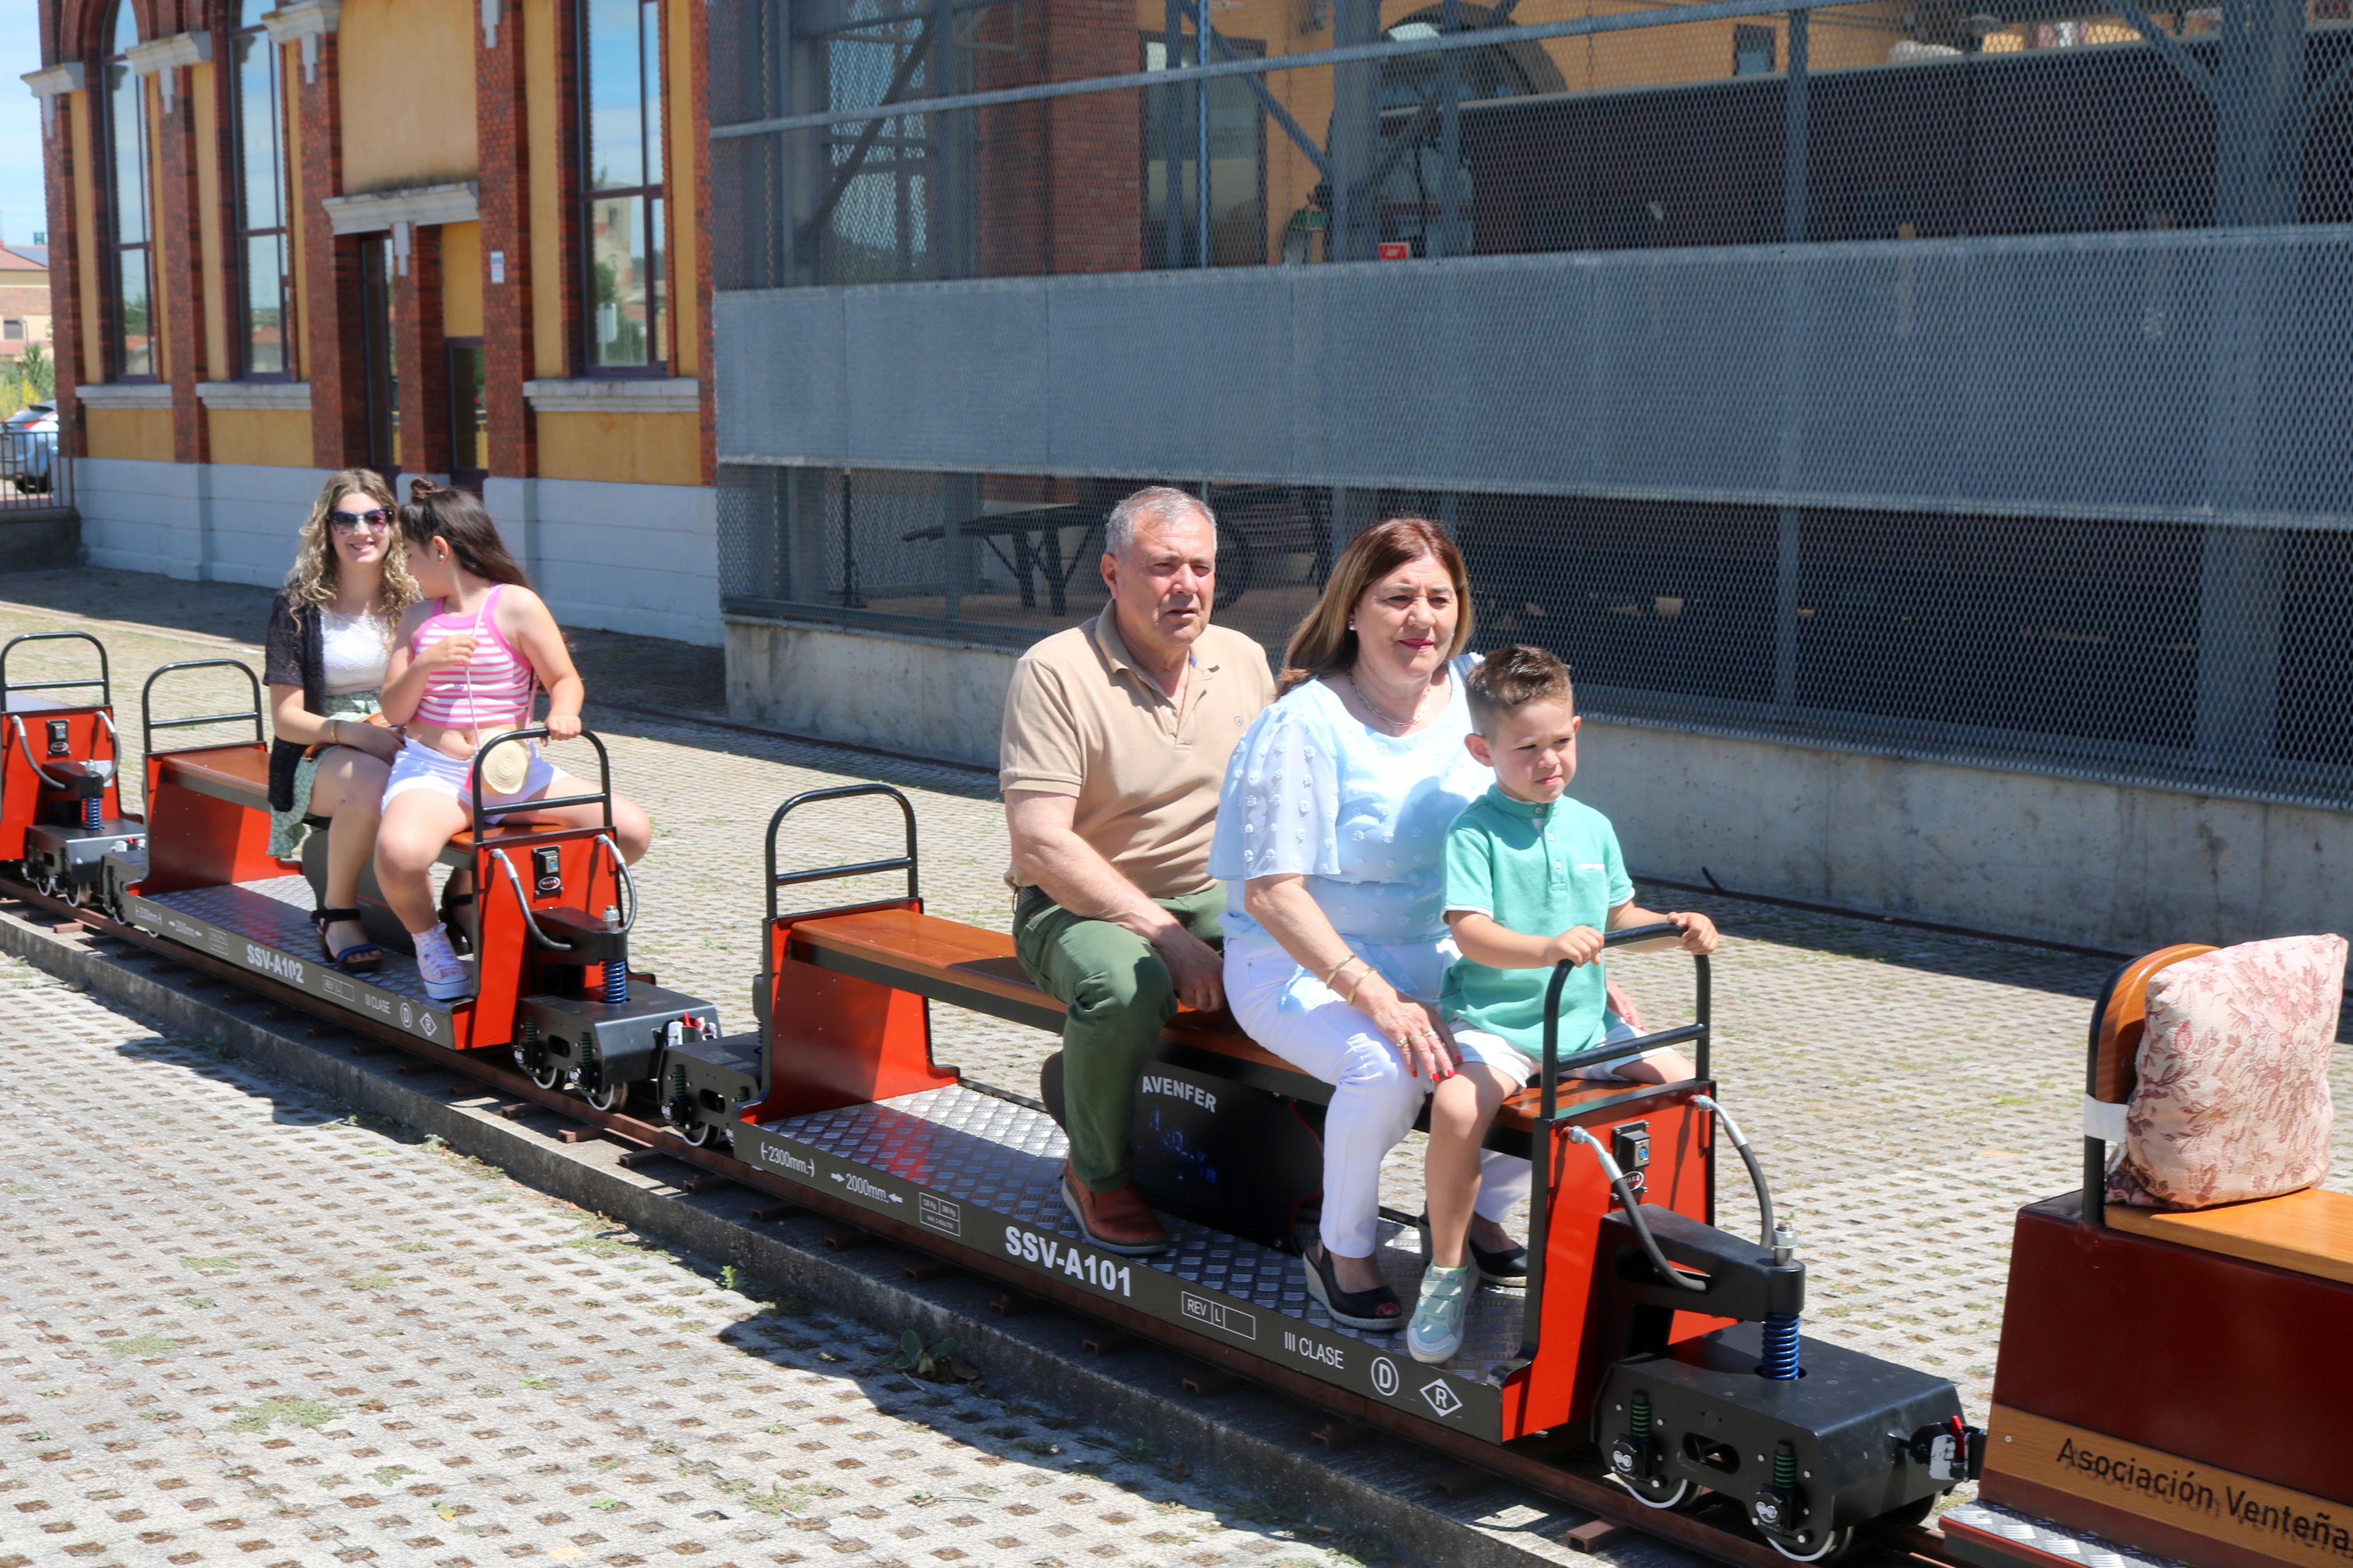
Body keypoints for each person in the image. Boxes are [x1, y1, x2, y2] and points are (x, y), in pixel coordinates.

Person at [1204, 516, 1502, 1332]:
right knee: (1386, 1065)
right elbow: (1272, 892)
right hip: (1297, 959)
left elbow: (1530, 828)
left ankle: (1480, 1208)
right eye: (1397, 596)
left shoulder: (1478, 694)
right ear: (1351, 610)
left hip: (1437, 944)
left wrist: (1564, 955)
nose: (1422, 617)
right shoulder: (1305, 722)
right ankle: (1341, 1248)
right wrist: (1375, 994)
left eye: (1439, 598)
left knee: (1531, 1032)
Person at [1406, 645, 1711, 1363]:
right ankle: (1446, 1268)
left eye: (1561, 742)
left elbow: (1619, 917)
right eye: (1526, 748)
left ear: (1577, 728)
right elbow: (1470, 933)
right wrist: (1544, 948)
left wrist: (1677, 928)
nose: (1549, 761)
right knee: (1455, 1108)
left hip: (1581, 1023)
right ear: (1482, 750)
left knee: (1681, 1086)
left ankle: (1663, 1256)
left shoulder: (1590, 826)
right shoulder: (1474, 832)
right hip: (1499, 1025)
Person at [1002, 487, 1275, 1257]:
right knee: (1126, 986)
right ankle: (1095, 1173)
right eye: (1162, 567)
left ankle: (1292, 1166)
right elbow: (1039, 844)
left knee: (1323, 963)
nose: (1184, 585)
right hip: (1074, 907)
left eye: (1200, 566)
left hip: (1213, 896)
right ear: (1112, 572)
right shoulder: (1055, 671)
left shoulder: (1244, 660)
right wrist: (1163, 933)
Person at [372, 481, 652, 1001]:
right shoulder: (417, 618)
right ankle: (429, 938)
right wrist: (427, 663)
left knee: (630, 830)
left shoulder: (516, 605)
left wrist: (564, 712)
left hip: (512, 773)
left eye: (409, 554)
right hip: (437, 775)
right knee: (399, 853)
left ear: (441, 549)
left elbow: (564, 679)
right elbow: (393, 709)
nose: (406, 567)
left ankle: (565, 921)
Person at [262, 468, 417, 972]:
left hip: (407, 733)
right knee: (372, 782)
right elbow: (287, 719)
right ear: (325, 530)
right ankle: (337, 910)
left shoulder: (414, 597)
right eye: (344, 521)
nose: (361, 532)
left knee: (481, 784)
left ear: (392, 525)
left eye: (375, 518)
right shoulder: (298, 605)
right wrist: (353, 733)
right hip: (321, 745)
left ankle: (461, 900)